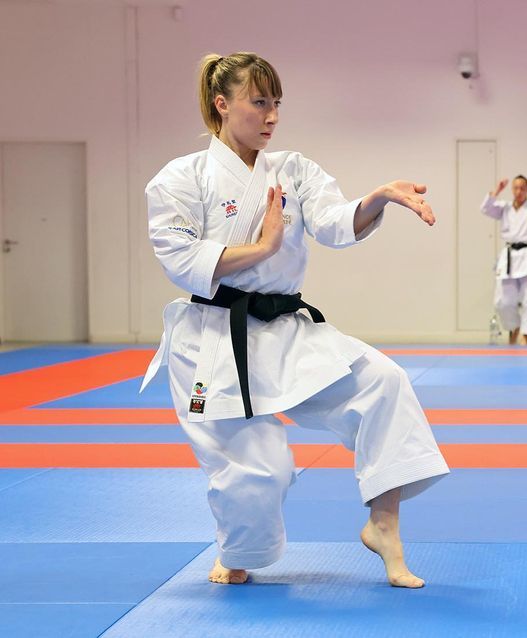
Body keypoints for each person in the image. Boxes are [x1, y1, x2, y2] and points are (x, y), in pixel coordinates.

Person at [140, 52, 449, 588]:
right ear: (222, 104)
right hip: (216, 339)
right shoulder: (180, 178)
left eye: (277, 103)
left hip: (284, 328)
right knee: (259, 471)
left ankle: (383, 526)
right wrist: (263, 247)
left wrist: (377, 198)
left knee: (384, 383)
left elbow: (334, 222)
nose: (272, 116)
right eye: (259, 102)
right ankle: (239, 553)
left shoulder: (292, 169)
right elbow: (181, 258)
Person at [481, 175, 527, 345]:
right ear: (512, 190)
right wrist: (497, 191)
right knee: (503, 301)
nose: (519, 191)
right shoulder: (504, 207)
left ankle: (525, 335)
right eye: (516, 188)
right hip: (509, 256)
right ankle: (514, 327)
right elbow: (485, 208)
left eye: (523, 188)